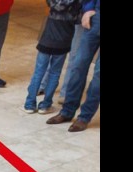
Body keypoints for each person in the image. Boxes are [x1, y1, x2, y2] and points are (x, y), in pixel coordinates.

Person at [47, 0, 99, 132]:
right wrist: (88, 9)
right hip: (96, 17)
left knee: (98, 77)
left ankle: (84, 117)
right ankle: (67, 111)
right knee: (78, 65)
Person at [24, 0, 81, 114]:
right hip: (64, 40)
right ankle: (45, 105)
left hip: (47, 38)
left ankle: (30, 104)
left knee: (38, 72)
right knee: (55, 73)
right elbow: (78, 19)